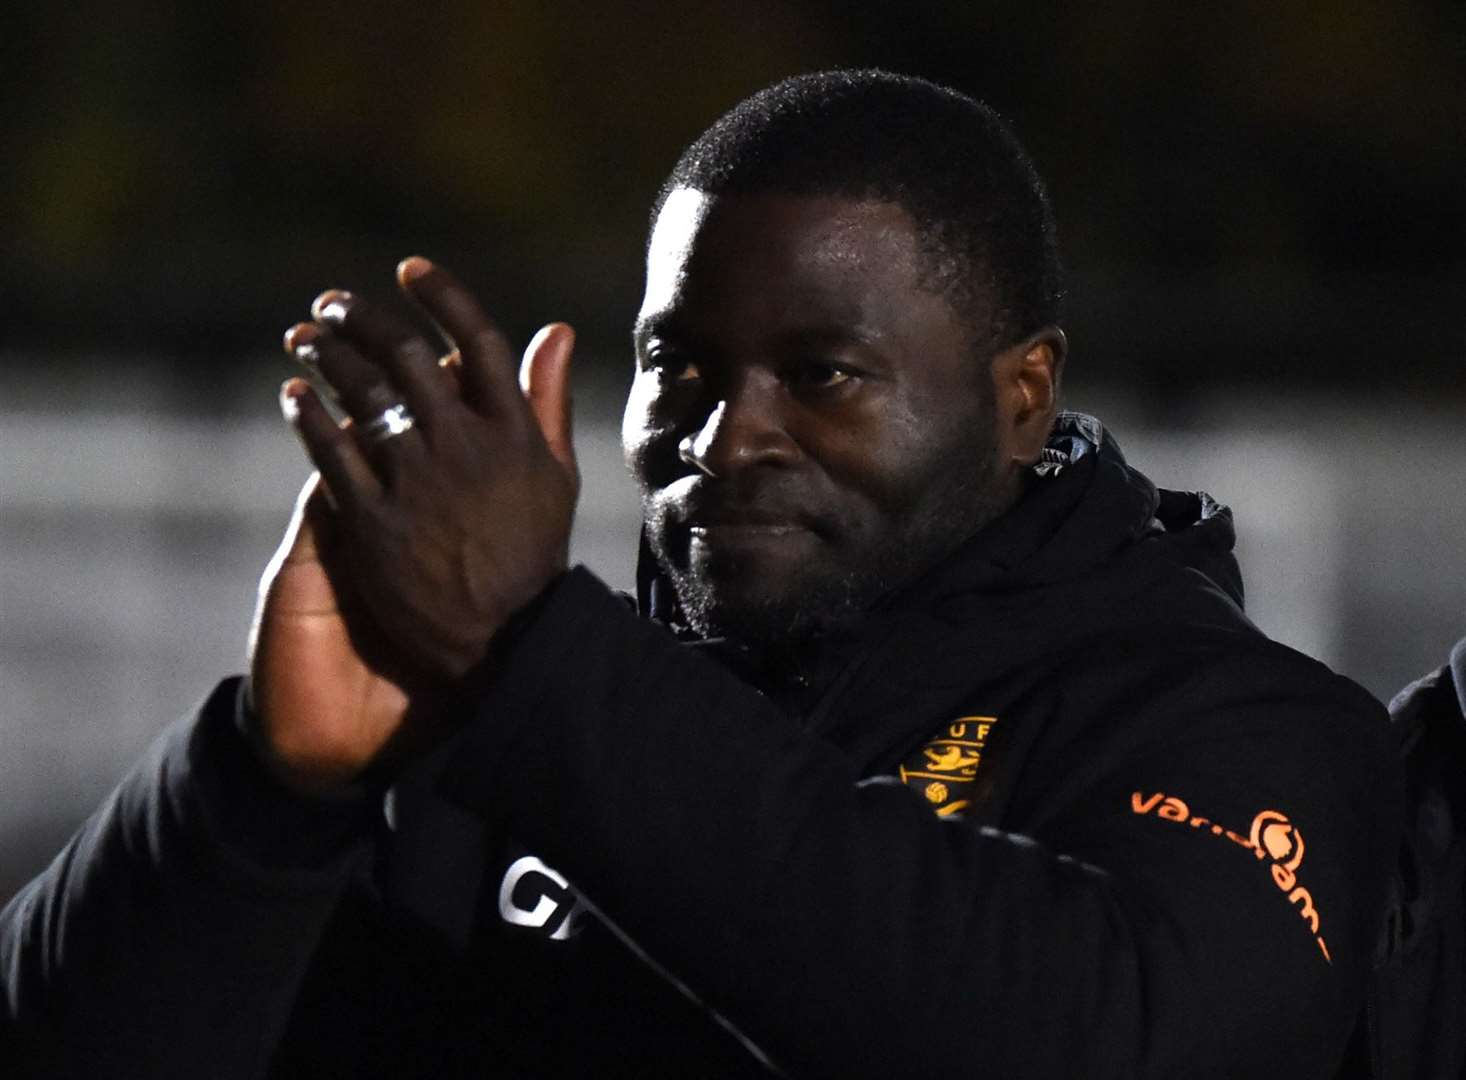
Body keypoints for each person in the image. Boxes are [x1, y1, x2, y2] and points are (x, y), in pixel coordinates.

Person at [0, 70, 1402, 1078]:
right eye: (680, 369)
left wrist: (540, 663)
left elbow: (1102, 1038)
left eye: (821, 375)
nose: (727, 437)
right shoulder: (501, 712)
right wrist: (262, 790)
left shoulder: (1240, 734)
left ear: (1020, 395)